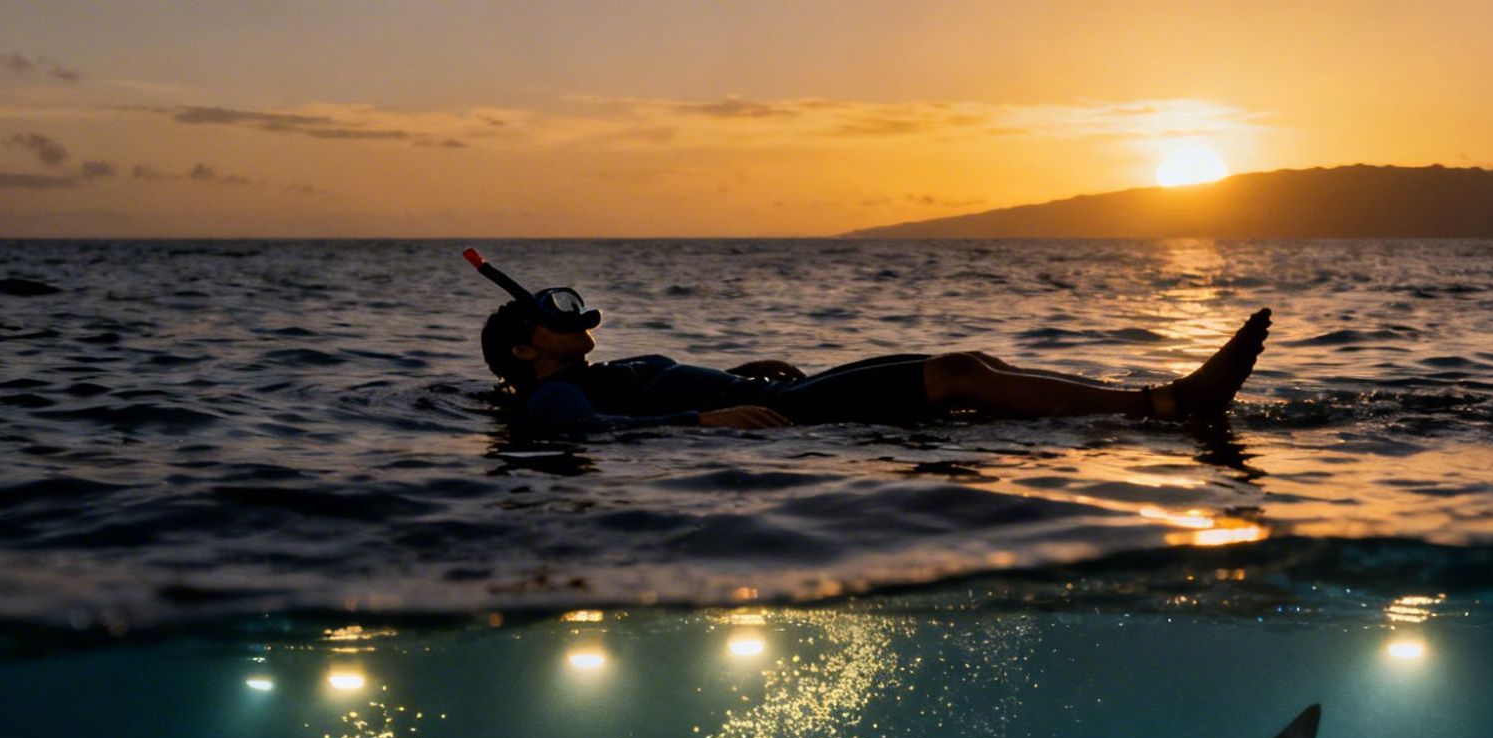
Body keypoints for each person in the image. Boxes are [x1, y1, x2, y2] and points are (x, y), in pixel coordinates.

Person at [466, 250, 1270, 432]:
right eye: (550, 312)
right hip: (787, 419)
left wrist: (736, 377)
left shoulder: (594, 374)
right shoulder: (553, 393)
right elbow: (592, 436)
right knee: (960, 372)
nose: (570, 315)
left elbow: (631, 402)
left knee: (972, 369)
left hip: (777, 393)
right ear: (525, 351)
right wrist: (707, 421)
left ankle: (1147, 404)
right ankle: (1165, 404)